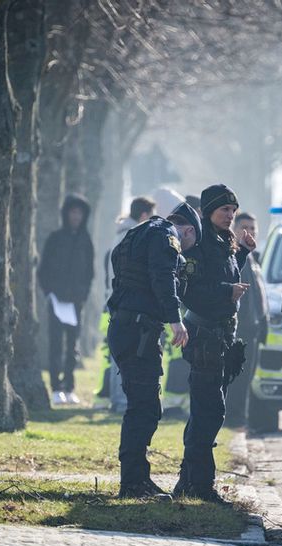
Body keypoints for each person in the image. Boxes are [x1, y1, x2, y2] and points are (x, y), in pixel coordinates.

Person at [107, 202, 201, 498]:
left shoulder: (135, 233)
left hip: (126, 328)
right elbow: (164, 278)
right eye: (189, 245)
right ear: (187, 230)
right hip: (139, 332)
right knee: (144, 408)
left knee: (143, 405)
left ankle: (136, 479)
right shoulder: (167, 237)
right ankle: (133, 482)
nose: (184, 252)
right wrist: (176, 321)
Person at [174, 184, 256, 502]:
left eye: (233, 211)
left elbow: (228, 273)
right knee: (208, 411)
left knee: (209, 412)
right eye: (225, 210)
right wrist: (226, 292)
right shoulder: (197, 245)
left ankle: (190, 480)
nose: (230, 216)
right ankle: (199, 484)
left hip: (222, 337)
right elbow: (191, 292)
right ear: (208, 211)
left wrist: (245, 252)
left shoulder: (226, 242)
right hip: (204, 337)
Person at [98, 197, 156, 406]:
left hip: (117, 300)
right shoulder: (131, 238)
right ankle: (121, 401)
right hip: (125, 302)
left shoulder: (122, 235)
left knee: (119, 353)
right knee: (124, 354)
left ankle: (119, 399)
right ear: (143, 216)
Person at [38, 194, 95, 406]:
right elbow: (43, 270)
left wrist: (83, 294)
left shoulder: (85, 241)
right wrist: (49, 294)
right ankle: (56, 387)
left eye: (79, 213)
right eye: (73, 212)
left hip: (75, 302)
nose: (76, 216)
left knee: (72, 345)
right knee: (55, 344)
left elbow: (90, 271)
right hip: (56, 300)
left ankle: (70, 386)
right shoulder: (55, 238)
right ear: (66, 213)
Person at [224, 212, 268, 428]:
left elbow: (259, 296)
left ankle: (241, 417)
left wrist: (264, 322)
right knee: (237, 376)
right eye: (245, 227)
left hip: (254, 327)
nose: (249, 232)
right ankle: (234, 417)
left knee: (247, 377)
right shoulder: (234, 255)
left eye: (253, 228)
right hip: (240, 326)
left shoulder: (252, 257)